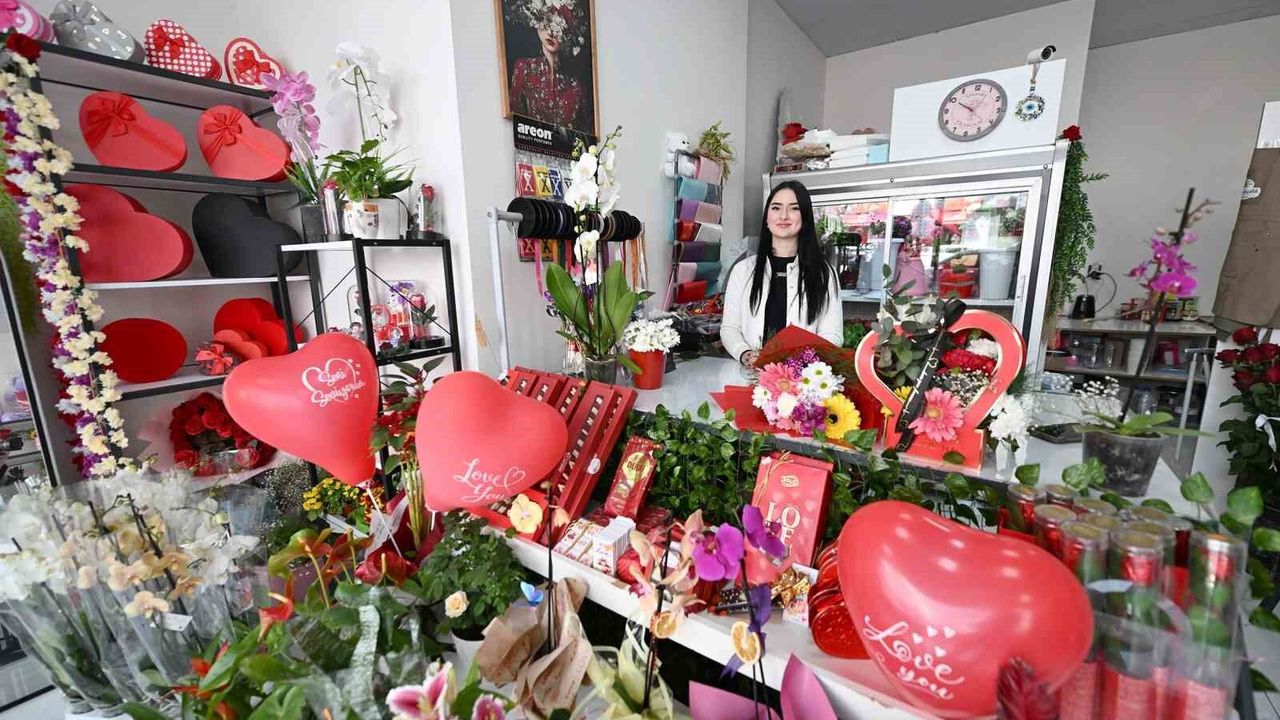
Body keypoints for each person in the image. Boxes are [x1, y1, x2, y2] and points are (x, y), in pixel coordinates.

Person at [721, 181, 842, 365]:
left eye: (794, 208)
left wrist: (802, 362)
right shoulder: (743, 270)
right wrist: (744, 353)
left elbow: (832, 334)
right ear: (767, 218)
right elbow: (730, 327)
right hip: (751, 374)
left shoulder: (825, 274)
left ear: (805, 217)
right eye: (776, 208)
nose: (783, 216)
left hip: (802, 376)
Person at [509, 2, 585, 130]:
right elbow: (514, 119)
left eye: (557, 26)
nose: (550, 32)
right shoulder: (524, 69)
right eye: (546, 22)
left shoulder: (575, 86)